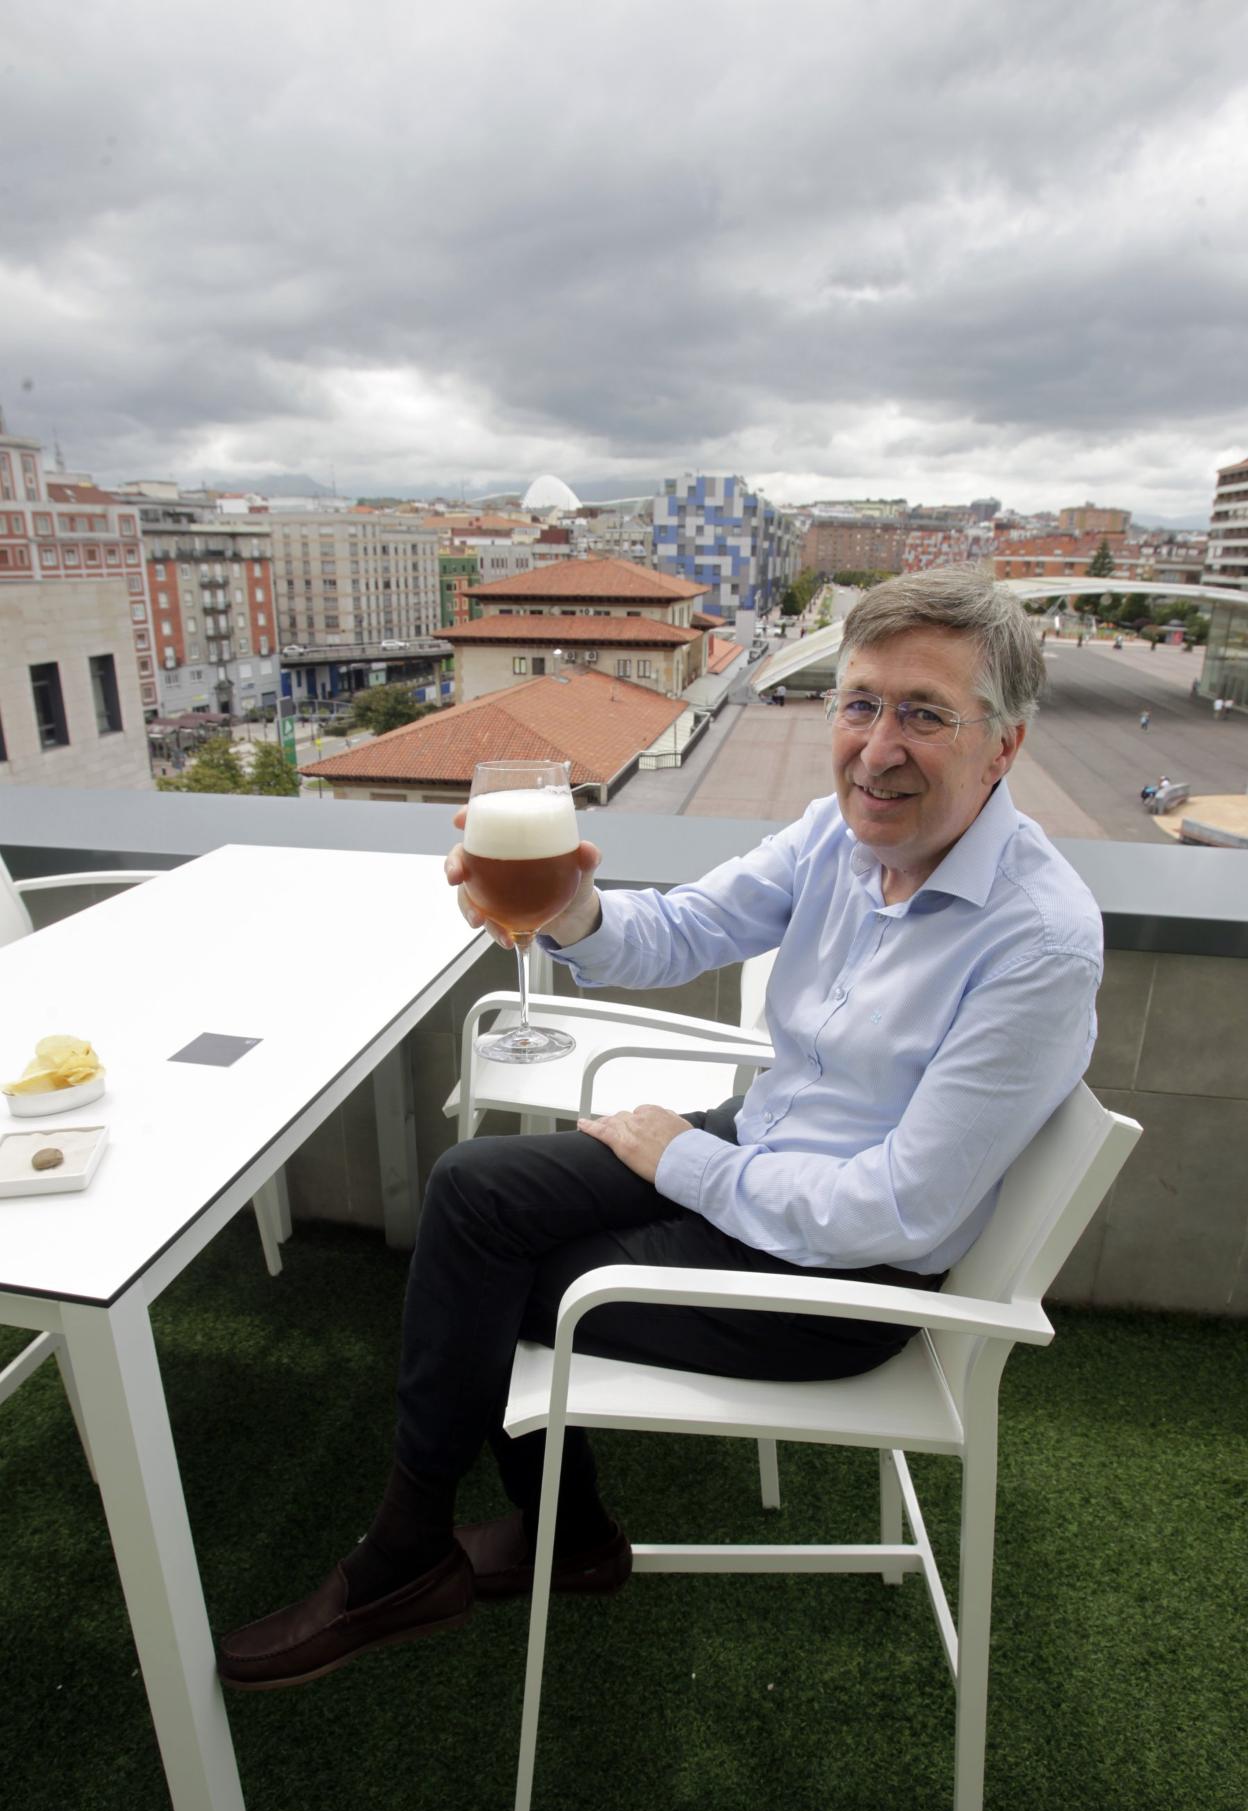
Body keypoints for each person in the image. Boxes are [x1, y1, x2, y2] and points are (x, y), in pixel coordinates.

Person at [216, 567, 1103, 1692]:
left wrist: (684, 1159)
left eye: (924, 714)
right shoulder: (837, 838)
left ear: (1003, 746)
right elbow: (684, 928)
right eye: (860, 703)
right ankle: (546, 1537)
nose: (877, 748)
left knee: (505, 1284)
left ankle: (424, 1554)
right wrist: (570, 908)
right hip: (758, 1149)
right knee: (474, 1190)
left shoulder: (1037, 942)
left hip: (838, 1281)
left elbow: (897, 1209)